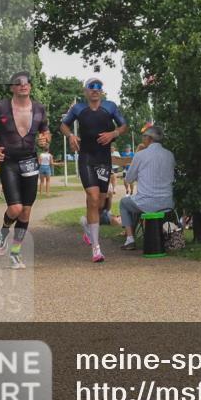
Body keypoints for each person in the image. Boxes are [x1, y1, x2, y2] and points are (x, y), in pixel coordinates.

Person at [0, 71, 50, 269]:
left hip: (30, 160)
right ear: (12, 87)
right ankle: (3, 232)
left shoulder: (39, 108)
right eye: (18, 83)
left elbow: (46, 132)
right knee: (15, 208)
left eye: (27, 82)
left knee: (26, 212)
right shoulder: (1, 107)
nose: (23, 85)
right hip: (9, 161)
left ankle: (15, 254)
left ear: (30, 86)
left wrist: (45, 139)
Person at [60, 77, 128, 263]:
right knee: (92, 197)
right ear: (86, 91)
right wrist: (71, 136)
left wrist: (114, 133)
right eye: (92, 87)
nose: (95, 90)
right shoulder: (78, 109)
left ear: (102, 91)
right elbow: (63, 125)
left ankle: (87, 226)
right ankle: (96, 248)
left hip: (103, 160)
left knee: (101, 202)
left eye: (99, 87)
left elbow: (124, 125)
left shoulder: (110, 107)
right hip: (87, 158)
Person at [119, 123, 175, 250]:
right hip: (167, 202)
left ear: (149, 139)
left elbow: (128, 179)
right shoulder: (169, 155)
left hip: (146, 203)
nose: (142, 139)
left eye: (144, 136)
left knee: (124, 203)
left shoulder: (140, 155)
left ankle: (130, 239)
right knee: (135, 202)